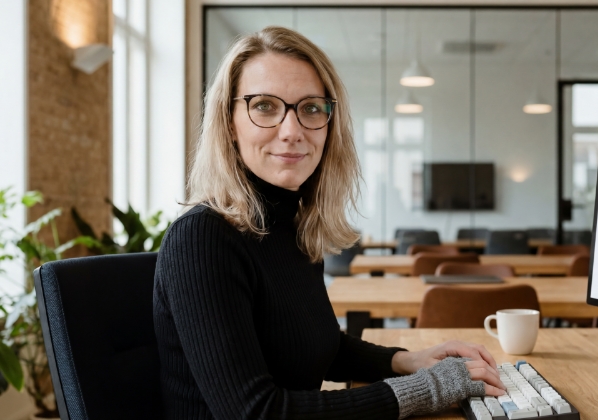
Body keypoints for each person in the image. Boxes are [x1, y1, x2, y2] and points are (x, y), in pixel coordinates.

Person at [153, 26, 505, 420]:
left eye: (311, 108)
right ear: (230, 124)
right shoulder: (203, 238)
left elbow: (317, 344)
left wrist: (409, 360)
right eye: (265, 106)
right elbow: (255, 413)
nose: (292, 131)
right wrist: (429, 387)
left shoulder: (295, 226)